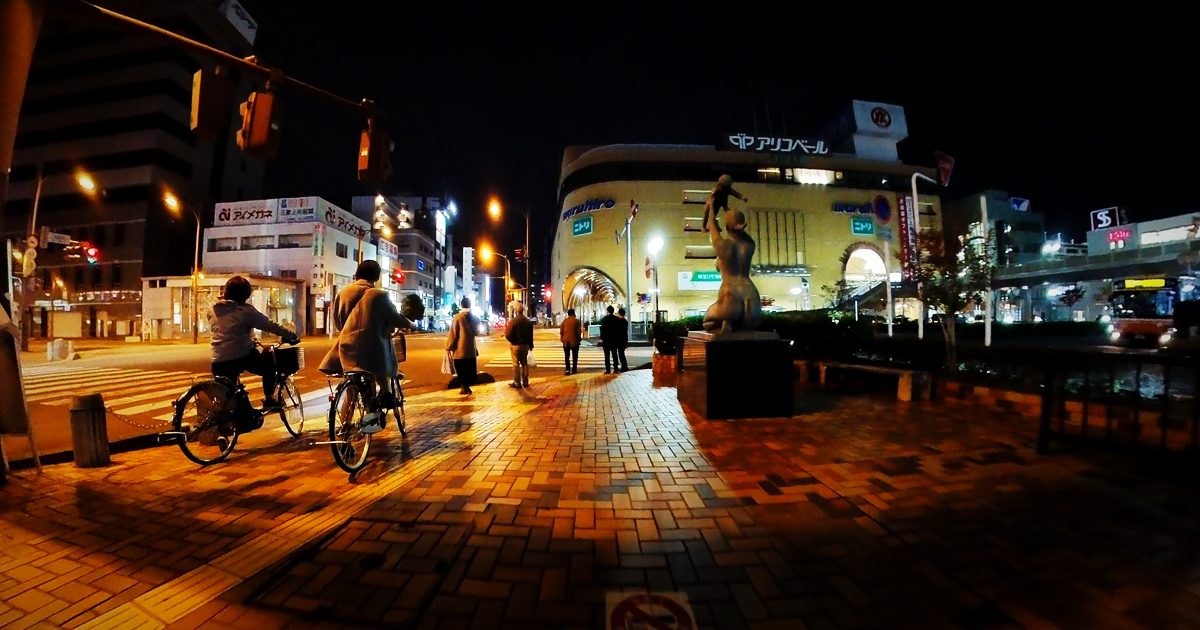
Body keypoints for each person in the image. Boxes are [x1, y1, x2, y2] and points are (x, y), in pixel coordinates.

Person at [319, 260, 415, 433]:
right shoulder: (379, 295)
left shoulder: (343, 293)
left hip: (347, 348)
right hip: (372, 350)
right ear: (377, 277)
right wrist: (411, 324)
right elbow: (394, 318)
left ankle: (344, 427)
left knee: (352, 390)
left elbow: (339, 321)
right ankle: (385, 395)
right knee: (381, 364)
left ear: (356, 275)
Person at [209, 276, 300, 411]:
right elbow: (269, 325)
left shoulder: (213, 309)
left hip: (217, 359)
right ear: (245, 294)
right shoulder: (245, 311)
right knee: (270, 366)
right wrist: (290, 335)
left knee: (227, 390)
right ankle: (269, 400)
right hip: (241, 355)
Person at [447, 297, 480, 395]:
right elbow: (477, 332)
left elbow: (454, 333)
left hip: (460, 349)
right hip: (471, 349)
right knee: (469, 370)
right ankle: (467, 387)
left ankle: (464, 387)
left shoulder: (457, 317)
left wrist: (449, 346)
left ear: (461, 305)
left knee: (461, 370)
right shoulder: (474, 318)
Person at [504, 302, 534, 388]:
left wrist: (513, 341)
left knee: (516, 364)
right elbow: (530, 335)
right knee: (524, 363)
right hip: (525, 345)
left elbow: (508, 334)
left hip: (515, 345)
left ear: (516, 311)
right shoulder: (528, 322)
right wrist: (531, 345)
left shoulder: (513, 321)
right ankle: (525, 381)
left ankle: (517, 382)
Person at [599, 305, 624, 374]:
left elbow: (602, 330)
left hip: (606, 340)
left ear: (607, 311)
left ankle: (608, 369)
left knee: (607, 355)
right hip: (614, 339)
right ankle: (615, 368)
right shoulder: (617, 319)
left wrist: (602, 338)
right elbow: (619, 330)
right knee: (614, 354)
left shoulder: (604, 319)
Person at [560, 307, 582, 375]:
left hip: (566, 341)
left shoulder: (564, 321)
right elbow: (578, 332)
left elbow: (561, 331)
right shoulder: (576, 321)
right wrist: (579, 339)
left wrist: (563, 339)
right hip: (574, 341)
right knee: (575, 356)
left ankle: (567, 369)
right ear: (573, 313)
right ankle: (574, 369)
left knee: (567, 356)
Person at [616, 307, 630, 372]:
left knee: (621, 353)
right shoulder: (625, 321)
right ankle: (624, 366)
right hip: (624, 339)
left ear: (619, 314)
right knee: (621, 353)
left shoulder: (619, 321)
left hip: (620, 339)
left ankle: (624, 366)